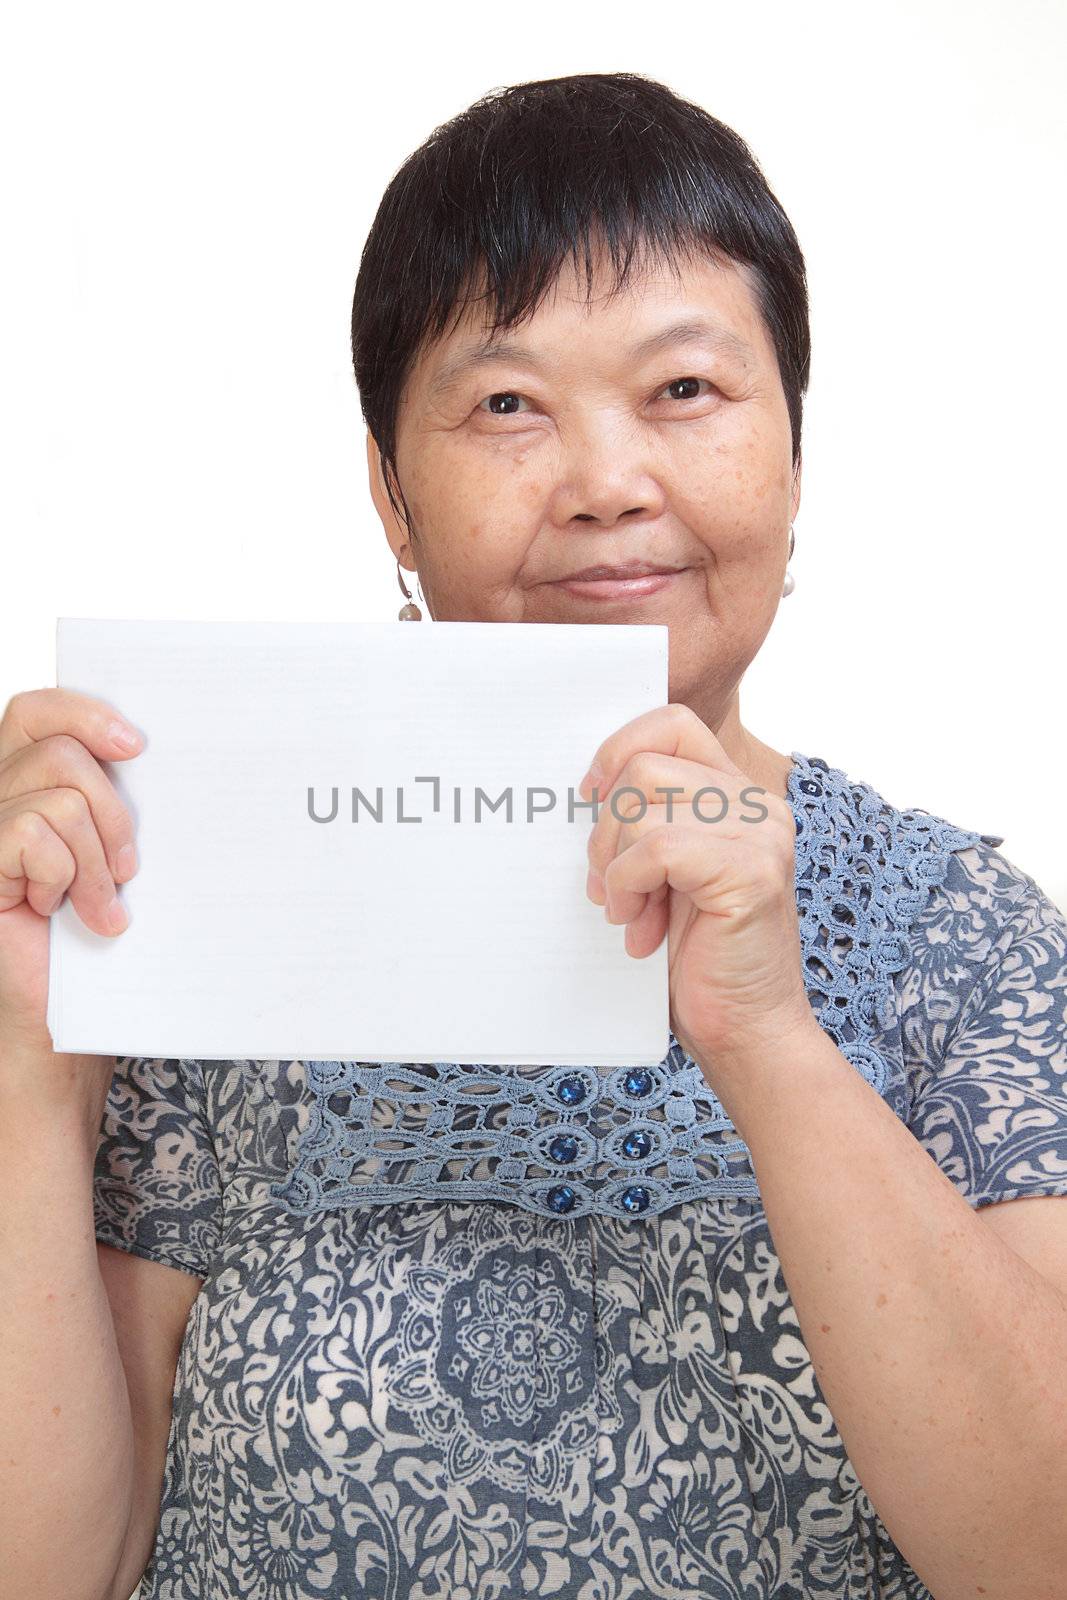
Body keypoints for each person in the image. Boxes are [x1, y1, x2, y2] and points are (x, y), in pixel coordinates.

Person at [2, 70, 1066, 1600]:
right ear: (390, 493)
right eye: (507, 405)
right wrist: (27, 1070)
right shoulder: (196, 902)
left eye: (685, 391)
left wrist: (767, 1038)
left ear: (794, 449)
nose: (607, 485)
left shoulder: (959, 934)